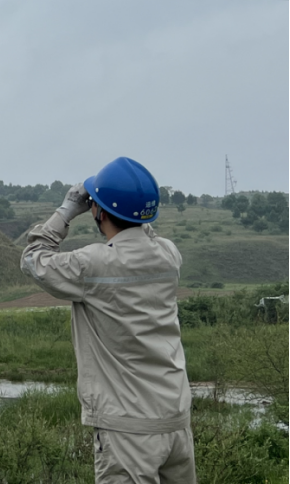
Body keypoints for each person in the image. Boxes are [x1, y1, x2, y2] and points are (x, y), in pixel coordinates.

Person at [20, 156, 196, 484]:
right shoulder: (169, 254)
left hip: (127, 428)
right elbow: (143, 234)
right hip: (175, 420)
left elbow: (33, 260)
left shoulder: (93, 264)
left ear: (99, 212)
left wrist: (66, 210)